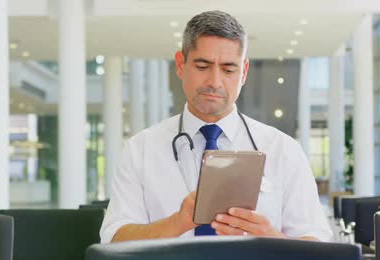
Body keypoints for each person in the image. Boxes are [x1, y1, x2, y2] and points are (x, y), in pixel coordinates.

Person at [100, 10, 332, 243]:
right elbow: (114, 240)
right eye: (202, 66)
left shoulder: (284, 150)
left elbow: (316, 243)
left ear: (243, 72)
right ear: (180, 65)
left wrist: (270, 238)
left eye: (229, 69)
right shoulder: (140, 149)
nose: (214, 82)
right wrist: (177, 222)